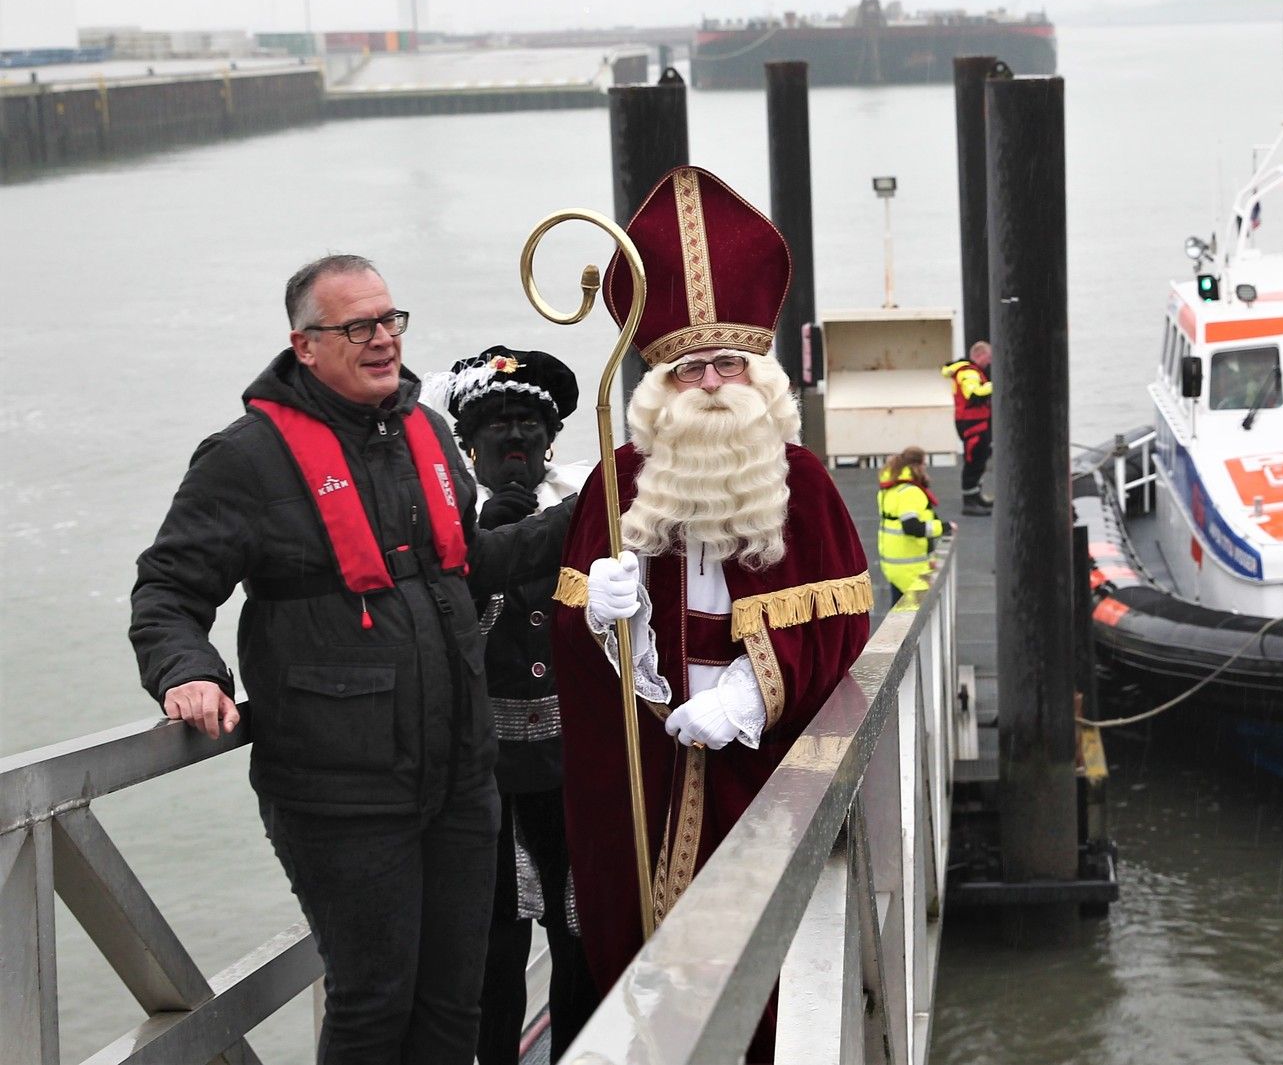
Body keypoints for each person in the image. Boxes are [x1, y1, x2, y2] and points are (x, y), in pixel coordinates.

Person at [128, 255, 575, 1064]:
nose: (381, 340)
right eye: (357, 326)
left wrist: (590, 510)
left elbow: (467, 567)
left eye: (390, 320)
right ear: (304, 344)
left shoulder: (431, 436)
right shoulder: (246, 457)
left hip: (462, 783)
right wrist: (187, 671)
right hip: (341, 794)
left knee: (452, 1000)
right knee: (374, 1001)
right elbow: (167, 587)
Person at [547, 166, 871, 1050]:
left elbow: (839, 624)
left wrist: (747, 694)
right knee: (649, 965)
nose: (714, 381)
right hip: (647, 767)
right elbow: (575, 654)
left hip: (759, 766)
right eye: (692, 367)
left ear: (758, 373)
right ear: (658, 384)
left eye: (730, 361)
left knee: (770, 972)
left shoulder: (802, 483)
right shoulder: (615, 485)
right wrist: (609, 625)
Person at [431, 346, 599, 1064]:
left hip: (574, 768)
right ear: (467, 447)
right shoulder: (439, 525)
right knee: (492, 946)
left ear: (552, 436)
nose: (516, 441)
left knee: (580, 932)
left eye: (530, 425)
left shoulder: (592, 511)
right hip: (480, 776)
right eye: (497, 427)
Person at [875, 446, 945, 604]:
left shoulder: (890, 489)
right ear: (918, 466)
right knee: (916, 619)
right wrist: (943, 527)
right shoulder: (910, 492)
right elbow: (911, 527)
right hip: (912, 568)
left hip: (894, 564)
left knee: (898, 617)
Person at [942, 340, 994, 515]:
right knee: (974, 461)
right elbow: (973, 393)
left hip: (977, 423)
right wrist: (997, 384)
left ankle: (976, 496)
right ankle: (970, 501)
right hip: (972, 424)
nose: (990, 362)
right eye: (989, 357)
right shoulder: (969, 373)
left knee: (979, 460)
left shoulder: (971, 371)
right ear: (979, 355)